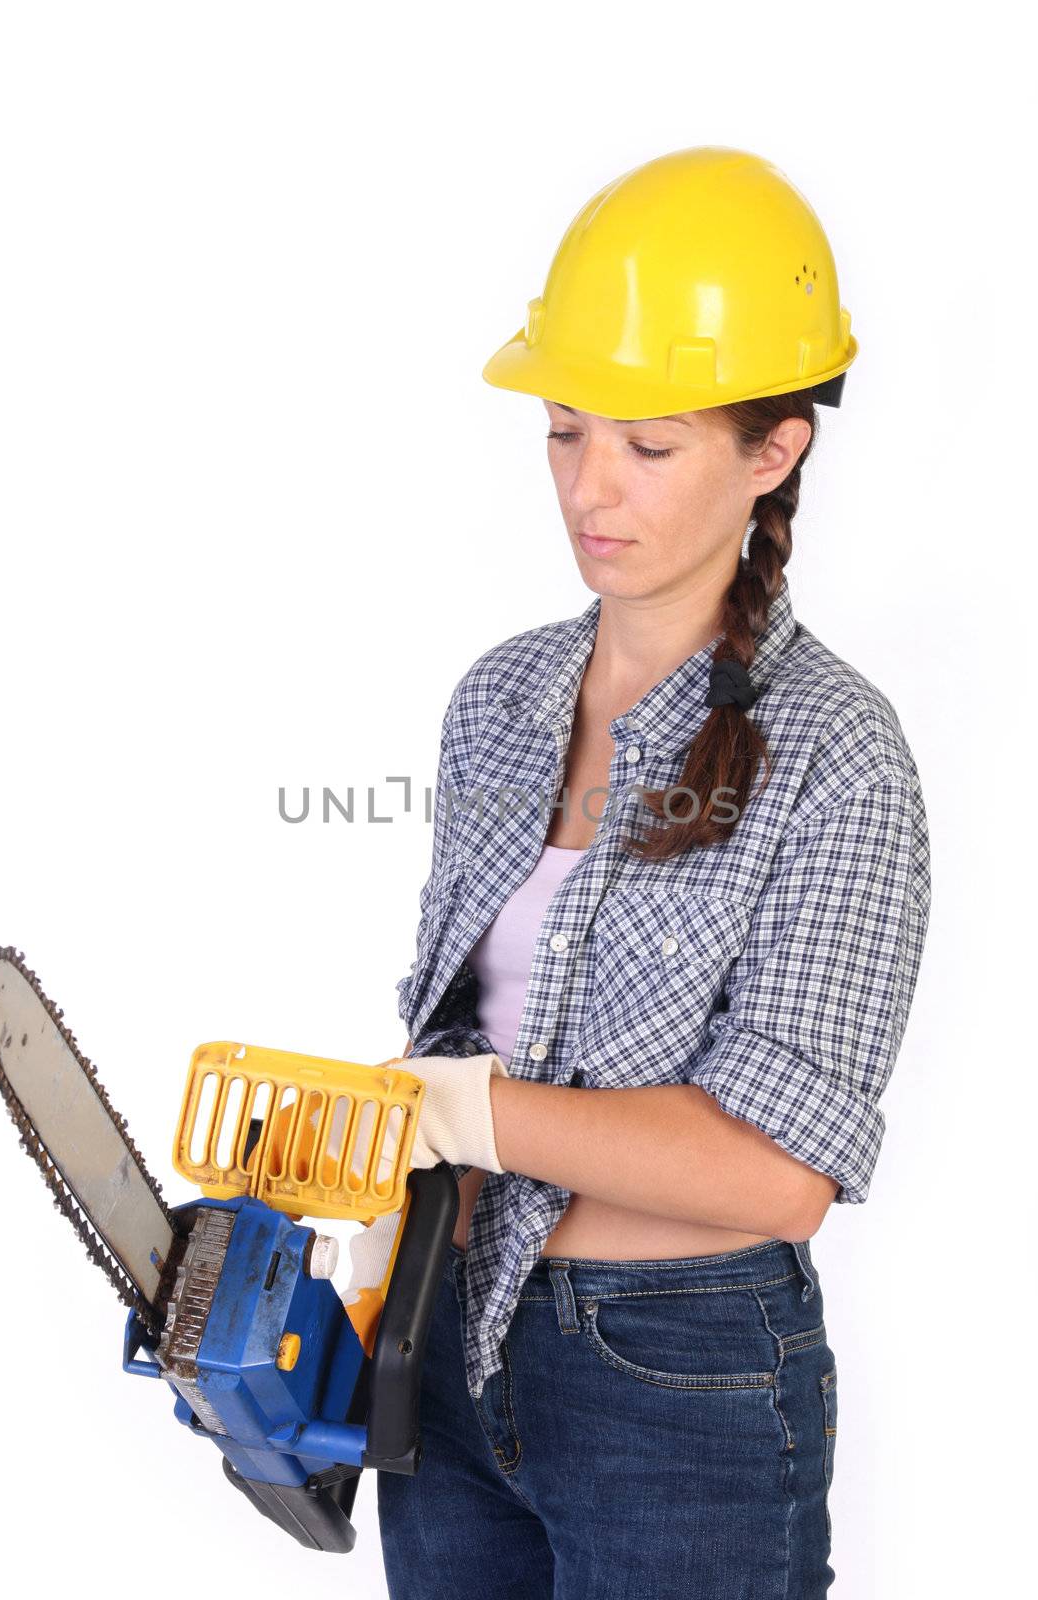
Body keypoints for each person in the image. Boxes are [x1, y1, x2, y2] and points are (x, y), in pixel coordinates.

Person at [374, 146, 931, 1599]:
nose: (588, 486)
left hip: (674, 1375)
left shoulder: (838, 757)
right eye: (565, 431)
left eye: (649, 445)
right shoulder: (500, 702)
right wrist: (371, 1244)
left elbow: (778, 1172)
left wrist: (467, 1114)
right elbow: (457, 1032)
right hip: (442, 1332)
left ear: (774, 449)